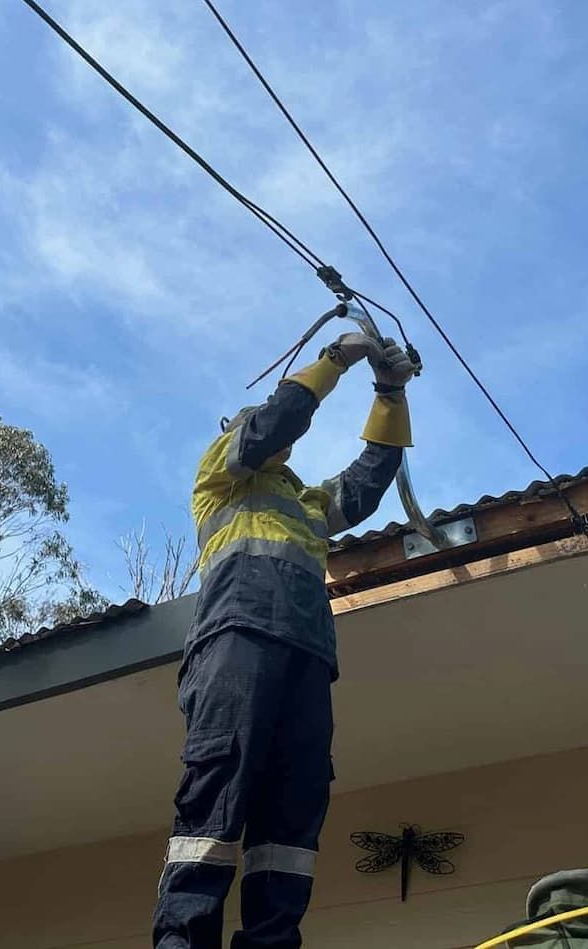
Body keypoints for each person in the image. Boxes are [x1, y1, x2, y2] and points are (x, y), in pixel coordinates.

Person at [153, 331, 418, 949]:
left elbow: (371, 477)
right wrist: (337, 359)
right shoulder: (221, 479)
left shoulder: (307, 505)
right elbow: (275, 422)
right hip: (234, 640)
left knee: (292, 815)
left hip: (307, 658)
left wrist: (391, 391)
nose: (277, 433)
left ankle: (272, 941)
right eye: (261, 424)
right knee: (217, 794)